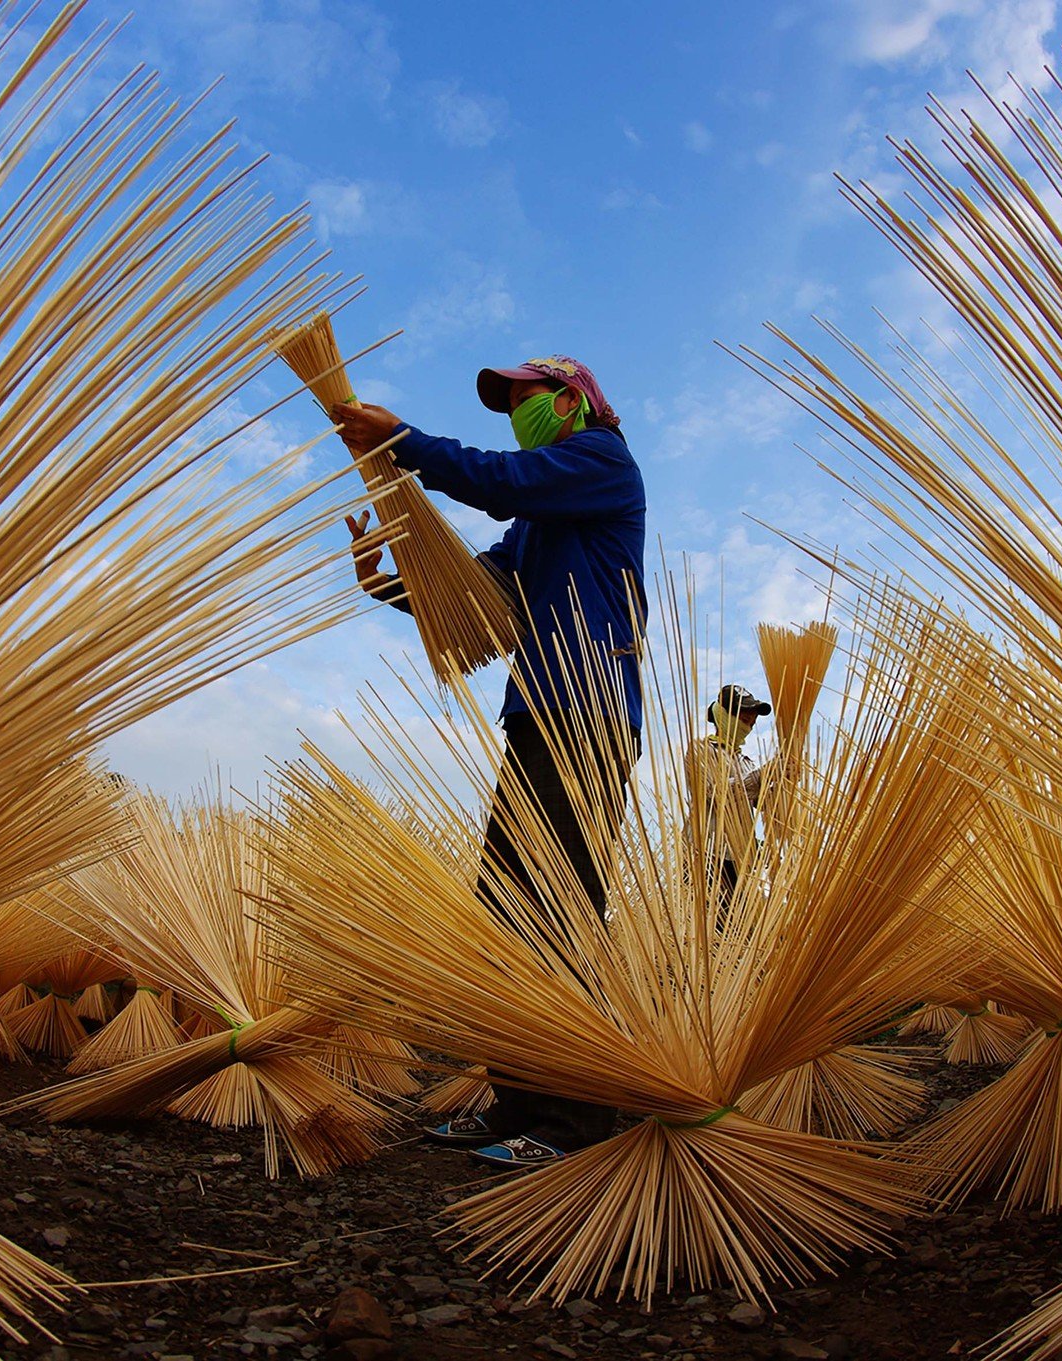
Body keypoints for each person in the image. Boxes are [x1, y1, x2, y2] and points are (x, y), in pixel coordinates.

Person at [331, 355, 645, 1169]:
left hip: (589, 708)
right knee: (507, 906)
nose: (517, 413)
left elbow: (503, 479)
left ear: (574, 399)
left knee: (559, 904)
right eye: (507, 405)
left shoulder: (600, 463)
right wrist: (389, 586)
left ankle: (574, 1121)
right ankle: (516, 1102)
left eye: (525, 398)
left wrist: (403, 442)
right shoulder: (537, 525)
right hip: (538, 712)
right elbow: (476, 600)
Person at [686, 684, 774, 913]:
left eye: (751, 722)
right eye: (744, 718)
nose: (750, 724)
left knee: (742, 933)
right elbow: (716, 794)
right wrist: (762, 776)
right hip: (707, 856)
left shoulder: (746, 763)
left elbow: (765, 805)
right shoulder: (701, 750)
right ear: (723, 714)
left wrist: (783, 782)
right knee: (712, 931)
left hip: (740, 861)